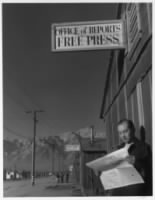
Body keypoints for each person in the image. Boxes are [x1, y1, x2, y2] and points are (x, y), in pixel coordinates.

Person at [111, 119, 152, 196]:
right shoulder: (118, 149)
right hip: (117, 192)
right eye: (120, 133)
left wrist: (136, 161)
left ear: (133, 130)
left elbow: (149, 171)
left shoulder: (143, 147)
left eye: (125, 131)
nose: (123, 135)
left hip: (133, 193)